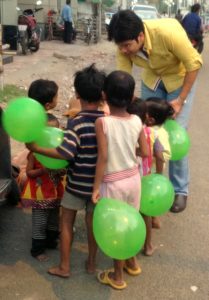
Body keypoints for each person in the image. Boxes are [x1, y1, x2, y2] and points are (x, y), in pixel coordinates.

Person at [108, 9, 202, 213]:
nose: (124, 50)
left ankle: (180, 190)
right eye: (120, 46)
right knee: (144, 130)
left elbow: (194, 63)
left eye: (127, 46)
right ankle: (145, 184)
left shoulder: (167, 32)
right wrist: (124, 110)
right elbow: (123, 80)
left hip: (179, 78)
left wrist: (180, 100)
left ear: (140, 36)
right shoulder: (124, 46)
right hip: (153, 80)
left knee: (175, 132)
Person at [26, 64, 106, 278]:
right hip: (98, 186)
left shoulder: (76, 122)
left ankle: (64, 266)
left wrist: (36, 148)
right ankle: (91, 263)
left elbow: (65, 153)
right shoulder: (105, 121)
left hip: (76, 184)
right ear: (102, 95)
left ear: (77, 94)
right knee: (92, 226)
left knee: (66, 222)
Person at [92, 71, 148, 290]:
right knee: (131, 222)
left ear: (104, 95)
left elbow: (103, 157)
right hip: (133, 179)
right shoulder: (136, 120)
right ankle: (132, 263)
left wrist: (96, 187)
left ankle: (117, 276)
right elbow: (144, 151)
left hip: (113, 182)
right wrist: (126, 147)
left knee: (117, 228)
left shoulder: (102, 122)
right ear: (132, 97)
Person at [128, 97, 173, 256]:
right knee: (145, 211)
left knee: (132, 209)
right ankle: (148, 246)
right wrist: (158, 177)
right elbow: (160, 156)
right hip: (147, 176)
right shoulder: (152, 133)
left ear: (149, 118)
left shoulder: (139, 130)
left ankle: (130, 242)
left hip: (133, 175)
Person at [21, 114, 65, 261]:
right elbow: (28, 172)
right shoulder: (34, 153)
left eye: (54, 131)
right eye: (47, 131)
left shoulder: (59, 152)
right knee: (39, 222)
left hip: (55, 192)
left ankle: (51, 241)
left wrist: (62, 171)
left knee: (54, 219)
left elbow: (64, 169)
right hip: (40, 194)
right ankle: (37, 249)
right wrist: (42, 171)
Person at [13, 79, 59, 192]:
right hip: (39, 161)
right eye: (56, 97)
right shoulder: (47, 123)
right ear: (48, 105)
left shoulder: (31, 117)